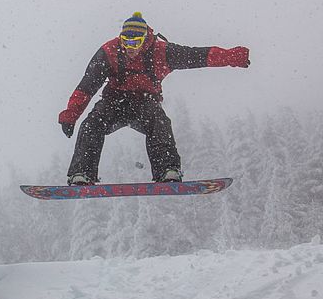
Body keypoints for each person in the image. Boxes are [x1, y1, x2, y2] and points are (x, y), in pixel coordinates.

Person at [58, 12, 250, 186]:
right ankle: (81, 173)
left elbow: (199, 55)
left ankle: (167, 170)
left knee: (160, 123)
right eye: (126, 42)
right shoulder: (109, 52)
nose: (130, 48)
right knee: (92, 124)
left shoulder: (162, 52)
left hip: (145, 103)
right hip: (113, 102)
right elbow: (87, 86)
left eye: (135, 43)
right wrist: (70, 115)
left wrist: (232, 57)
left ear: (145, 39)